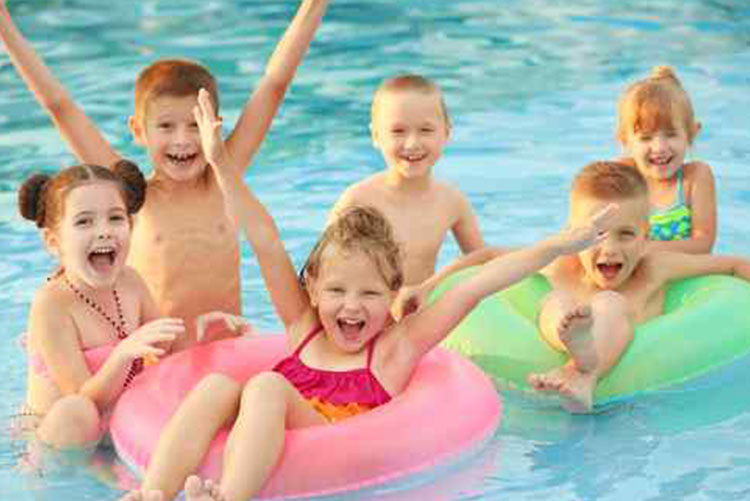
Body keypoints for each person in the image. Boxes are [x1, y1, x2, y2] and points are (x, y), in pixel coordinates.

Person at [118, 89, 616, 501]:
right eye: (336, 290)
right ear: (312, 288)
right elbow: (263, 235)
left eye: (369, 294)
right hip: (272, 431)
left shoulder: (396, 348)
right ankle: (154, 495)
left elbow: (481, 283)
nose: (351, 306)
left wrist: (559, 243)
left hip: (338, 460)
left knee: (265, 387)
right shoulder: (303, 324)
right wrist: (219, 162)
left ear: (393, 294)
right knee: (217, 387)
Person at [0, 0, 329, 350]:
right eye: (166, 127)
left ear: (214, 125)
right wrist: (5, 26)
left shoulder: (225, 175)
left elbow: (274, 84)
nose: (183, 140)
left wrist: (314, 6)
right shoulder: (131, 195)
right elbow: (60, 107)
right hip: (163, 365)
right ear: (138, 131)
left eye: (194, 125)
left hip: (229, 351)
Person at [527, 161, 749, 412]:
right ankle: (577, 348)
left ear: (646, 237)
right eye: (596, 233)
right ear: (573, 235)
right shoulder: (561, 265)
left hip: (638, 400)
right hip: (583, 356)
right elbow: (499, 261)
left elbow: (734, 265)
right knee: (554, 302)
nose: (610, 249)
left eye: (626, 234)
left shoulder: (655, 267)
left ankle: (578, 371)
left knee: (610, 303)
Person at [17, 161, 185, 450]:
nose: (104, 231)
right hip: (61, 440)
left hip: (120, 427)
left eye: (115, 218)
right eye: (84, 221)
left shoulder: (130, 281)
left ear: (131, 226)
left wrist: (207, 332)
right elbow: (83, 397)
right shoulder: (52, 304)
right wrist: (122, 354)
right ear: (53, 241)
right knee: (76, 411)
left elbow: (165, 348)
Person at [330, 74, 484, 287]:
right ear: (376, 136)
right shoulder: (357, 201)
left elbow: (483, 265)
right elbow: (325, 275)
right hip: (373, 316)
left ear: (446, 133)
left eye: (426, 130)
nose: (412, 143)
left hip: (424, 312)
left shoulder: (451, 201)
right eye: (398, 131)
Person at [616, 65, 716, 253]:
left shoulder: (695, 178)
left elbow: (703, 244)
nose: (660, 148)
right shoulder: (623, 176)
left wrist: (642, 249)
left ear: (691, 133)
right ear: (625, 140)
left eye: (671, 135)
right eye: (646, 138)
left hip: (680, 273)